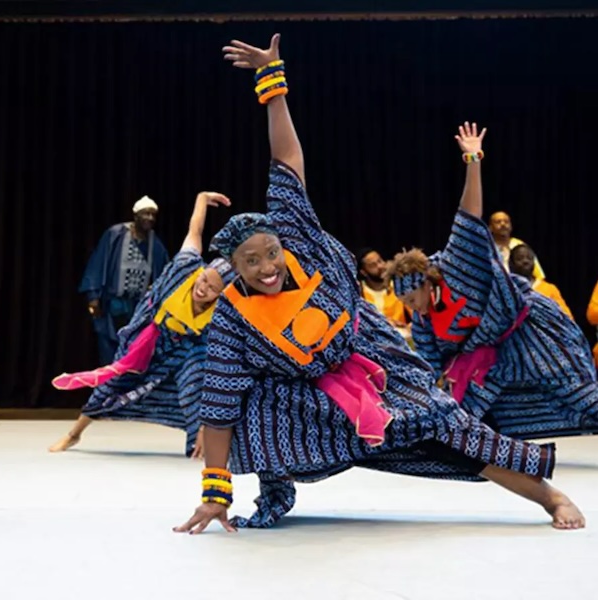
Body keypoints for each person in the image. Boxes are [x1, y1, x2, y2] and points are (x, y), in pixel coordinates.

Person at [174, 35, 584, 535]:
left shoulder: (297, 235)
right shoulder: (234, 321)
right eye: (251, 261)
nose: (267, 267)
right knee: (250, 413)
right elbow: (218, 407)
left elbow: (287, 161)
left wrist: (271, 84)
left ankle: (548, 495)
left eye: (271, 254)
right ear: (234, 265)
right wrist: (215, 493)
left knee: (442, 429)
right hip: (309, 399)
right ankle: (275, 487)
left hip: (372, 356)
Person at [390, 128, 598, 442]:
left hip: (530, 331)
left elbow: (468, 214)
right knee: (473, 414)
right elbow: (433, 368)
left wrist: (473, 160)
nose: (411, 307)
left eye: (411, 298)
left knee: (578, 394)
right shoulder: (423, 322)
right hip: (493, 360)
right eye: (404, 302)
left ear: (424, 282)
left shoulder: (456, 266)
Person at [51, 191, 235, 457]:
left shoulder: (222, 312)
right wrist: (201, 199)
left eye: (211, 288)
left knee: (197, 387)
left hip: (187, 349)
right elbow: (195, 230)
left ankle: (205, 445)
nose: (202, 288)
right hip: (153, 340)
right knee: (113, 385)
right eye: (203, 280)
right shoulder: (186, 267)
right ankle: (73, 435)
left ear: (221, 293)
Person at [79, 197, 170, 365]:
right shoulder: (115, 235)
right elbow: (98, 263)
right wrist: (93, 296)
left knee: (134, 350)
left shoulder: (155, 244)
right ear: (136, 215)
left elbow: (164, 273)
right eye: (146, 214)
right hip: (114, 304)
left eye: (153, 215)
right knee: (111, 348)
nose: (150, 218)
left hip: (138, 309)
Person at [508, 244, 573, 319]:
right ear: (511, 264)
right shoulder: (507, 289)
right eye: (519, 258)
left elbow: (567, 318)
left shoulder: (550, 289)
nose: (525, 261)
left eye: (529, 258)